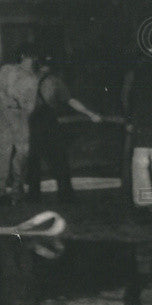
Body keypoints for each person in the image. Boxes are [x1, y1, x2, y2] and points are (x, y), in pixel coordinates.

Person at [26, 56, 101, 202]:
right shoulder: (55, 81)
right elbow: (71, 100)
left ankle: (33, 195)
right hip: (48, 120)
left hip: (33, 120)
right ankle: (65, 193)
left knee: (34, 158)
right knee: (58, 157)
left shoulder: (30, 79)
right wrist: (90, 113)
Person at [122, 48, 152, 212]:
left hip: (142, 123)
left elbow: (126, 98)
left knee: (141, 164)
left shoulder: (134, 74)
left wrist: (129, 120)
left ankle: (146, 204)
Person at [0, 47, 40, 203]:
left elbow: (30, 105)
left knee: (22, 152)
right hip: (3, 115)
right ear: (22, 57)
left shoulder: (33, 79)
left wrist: (21, 105)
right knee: (2, 153)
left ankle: (17, 189)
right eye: (25, 58)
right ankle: (1, 191)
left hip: (20, 117)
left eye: (31, 59)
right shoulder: (7, 70)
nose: (27, 62)